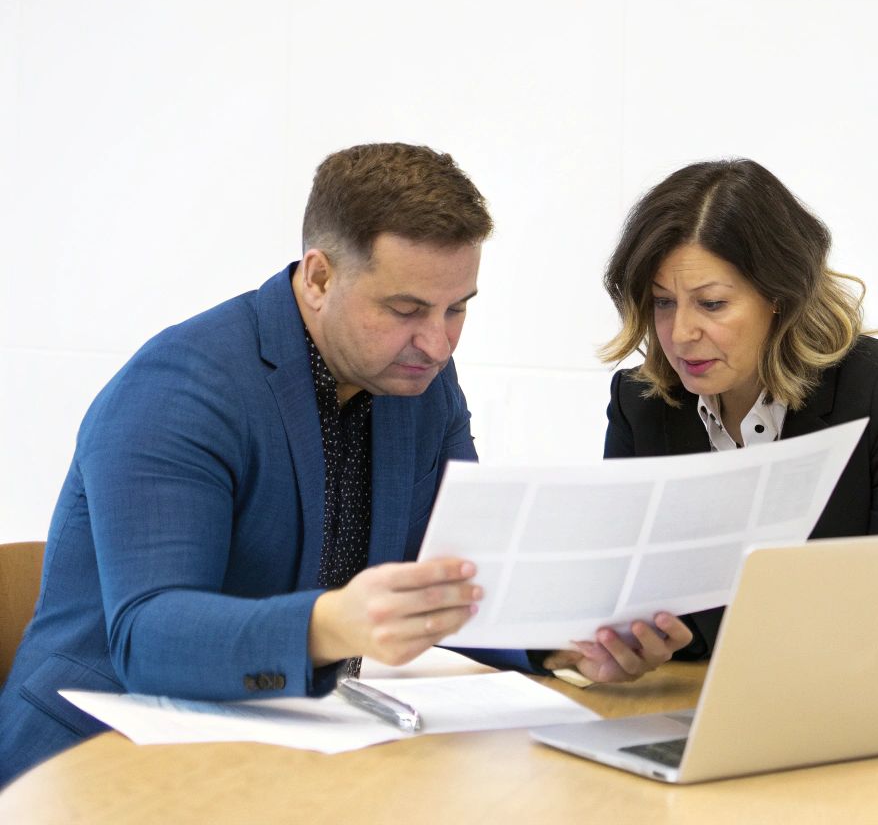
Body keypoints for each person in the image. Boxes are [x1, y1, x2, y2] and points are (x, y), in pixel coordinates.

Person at [0, 143, 690, 787]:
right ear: (319, 277)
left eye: (457, 309)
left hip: (281, 747)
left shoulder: (418, 380)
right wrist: (333, 624)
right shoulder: (181, 387)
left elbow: (456, 571)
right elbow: (148, 639)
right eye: (406, 309)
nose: (438, 343)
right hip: (92, 760)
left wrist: (560, 641)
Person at [594, 158, 878, 660]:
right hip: (717, 698)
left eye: (711, 304)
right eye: (662, 303)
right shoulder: (641, 404)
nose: (681, 334)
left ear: (779, 295)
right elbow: (632, 601)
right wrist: (629, 646)